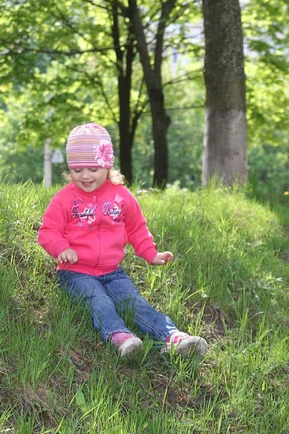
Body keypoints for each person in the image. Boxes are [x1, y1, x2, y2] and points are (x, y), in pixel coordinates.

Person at [38, 123, 207, 358]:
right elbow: (47, 232)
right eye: (78, 170)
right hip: (75, 272)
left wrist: (151, 253)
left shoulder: (121, 196)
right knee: (98, 301)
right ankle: (121, 338)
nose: (85, 176)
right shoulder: (64, 199)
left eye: (93, 168)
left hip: (113, 271)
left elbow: (137, 228)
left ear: (107, 165)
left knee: (134, 303)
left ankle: (174, 338)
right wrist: (61, 247)